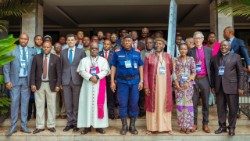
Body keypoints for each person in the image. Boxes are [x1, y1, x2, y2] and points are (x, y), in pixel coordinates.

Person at [4, 33, 36, 136]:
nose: (23, 40)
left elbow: (36, 68)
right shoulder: (12, 50)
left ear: (28, 40)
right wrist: (7, 80)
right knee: (14, 103)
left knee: (25, 103)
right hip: (14, 81)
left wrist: (33, 82)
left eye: (25, 39)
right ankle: (13, 126)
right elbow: (6, 66)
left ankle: (24, 126)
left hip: (26, 81)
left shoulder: (32, 51)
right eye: (22, 39)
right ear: (19, 39)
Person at [110, 35, 143, 135]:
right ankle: (124, 125)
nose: (127, 43)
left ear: (132, 42)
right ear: (122, 43)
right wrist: (112, 81)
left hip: (134, 82)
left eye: (129, 41)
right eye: (125, 41)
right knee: (122, 103)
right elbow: (113, 67)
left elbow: (141, 66)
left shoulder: (137, 53)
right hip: (122, 82)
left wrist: (141, 81)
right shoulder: (117, 54)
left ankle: (132, 126)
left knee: (134, 103)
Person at [210, 40, 244, 136]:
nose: (223, 47)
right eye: (221, 45)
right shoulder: (215, 58)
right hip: (219, 87)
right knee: (220, 108)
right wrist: (212, 85)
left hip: (232, 86)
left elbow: (241, 73)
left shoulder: (236, 57)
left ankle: (232, 128)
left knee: (233, 108)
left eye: (225, 45)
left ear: (229, 47)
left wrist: (240, 87)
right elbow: (212, 73)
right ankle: (222, 126)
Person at [77, 42, 110, 134]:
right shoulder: (84, 60)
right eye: (92, 48)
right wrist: (90, 77)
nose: (94, 50)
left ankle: (99, 126)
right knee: (86, 105)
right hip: (87, 87)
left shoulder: (103, 60)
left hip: (99, 86)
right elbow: (81, 71)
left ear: (98, 50)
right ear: (89, 49)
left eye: (95, 48)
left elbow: (106, 70)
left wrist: (97, 76)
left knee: (99, 105)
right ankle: (87, 126)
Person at [30, 41, 61, 134]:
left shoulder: (56, 58)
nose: (46, 49)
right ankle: (40, 126)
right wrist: (32, 84)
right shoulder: (36, 57)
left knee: (51, 106)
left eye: (48, 47)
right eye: (44, 47)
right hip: (39, 85)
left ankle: (51, 125)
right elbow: (33, 72)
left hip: (51, 85)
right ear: (42, 47)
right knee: (39, 106)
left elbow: (59, 73)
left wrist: (58, 85)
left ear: (51, 47)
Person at [143, 37, 173, 134]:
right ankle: (152, 128)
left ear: (164, 46)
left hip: (165, 86)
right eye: (156, 43)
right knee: (153, 105)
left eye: (160, 44)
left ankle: (166, 127)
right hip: (153, 86)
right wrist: (146, 86)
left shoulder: (168, 56)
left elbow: (171, 70)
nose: (158, 45)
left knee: (165, 104)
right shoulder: (148, 56)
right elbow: (145, 73)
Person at [61, 34, 86, 132]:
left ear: (75, 41)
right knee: (67, 103)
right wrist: (60, 82)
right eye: (69, 40)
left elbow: (84, 67)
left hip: (77, 80)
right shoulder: (63, 52)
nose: (70, 41)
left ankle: (76, 123)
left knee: (76, 103)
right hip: (66, 80)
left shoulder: (81, 52)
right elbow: (61, 67)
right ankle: (69, 123)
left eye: (72, 40)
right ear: (67, 42)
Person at [188, 31, 212, 133]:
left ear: (202, 39)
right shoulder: (190, 51)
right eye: (196, 38)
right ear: (193, 39)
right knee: (194, 102)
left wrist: (213, 83)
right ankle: (194, 124)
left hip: (205, 79)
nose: (197, 40)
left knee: (205, 103)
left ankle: (205, 124)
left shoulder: (208, 50)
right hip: (194, 79)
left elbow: (212, 66)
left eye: (199, 38)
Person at [173, 43, 196, 134]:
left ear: (187, 50)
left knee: (188, 106)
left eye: (185, 49)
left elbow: (194, 72)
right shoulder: (175, 59)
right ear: (179, 50)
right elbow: (173, 72)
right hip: (178, 86)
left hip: (188, 86)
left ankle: (189, 126)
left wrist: (188, 81)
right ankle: (182, 126)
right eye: (181, 49)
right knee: (180, 106)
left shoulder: (191, 59)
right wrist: (176, 83)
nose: (183, 50)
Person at [99, 39, 116, 119]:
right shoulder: (99, 54)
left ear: (110, 45)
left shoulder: (114, 54)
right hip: (101, 78)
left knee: (110, 96)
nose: (106, 45)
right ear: (103, 44)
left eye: (108, 44)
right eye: (105, 44)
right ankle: (102, 113)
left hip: (110, 78)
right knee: (101, 96)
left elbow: (116, 66)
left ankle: (111, 113)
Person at [28, 35, 43, 121]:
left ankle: (36, 115)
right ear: (34, 41)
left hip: (41, 76)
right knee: (30, 97)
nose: (39, 41)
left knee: (39, 98)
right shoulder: (30, 50)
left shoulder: (44, 50)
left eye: (40, 39)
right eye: (37, 39)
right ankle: (29, 114)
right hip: (32, 75)